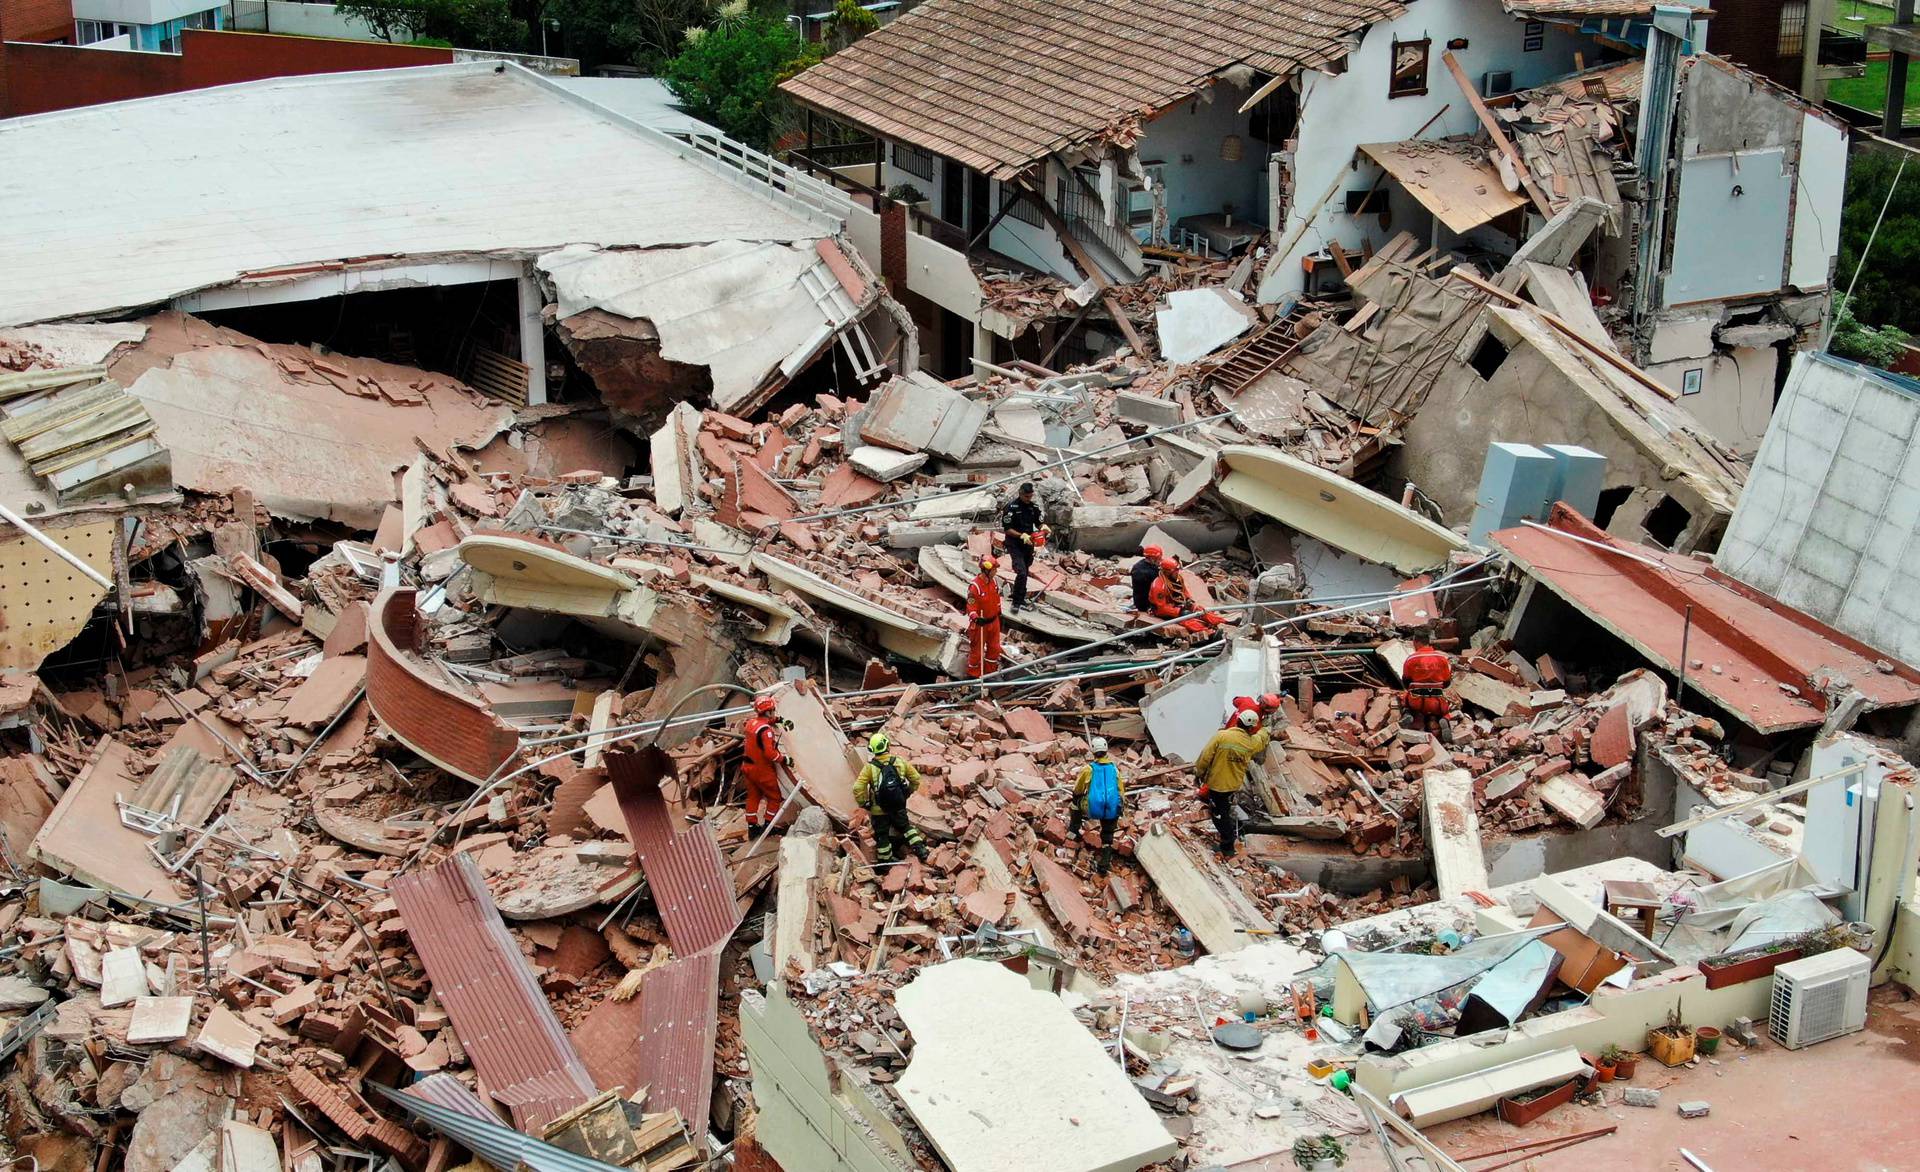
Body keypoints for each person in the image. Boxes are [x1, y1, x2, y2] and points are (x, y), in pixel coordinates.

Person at [1193, 709, 1272, 857]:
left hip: (1217, 784)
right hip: (1233, 785)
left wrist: (1198, 772)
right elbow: (1261, 738)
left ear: (1238, 720)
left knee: (1219, 816)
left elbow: (1205, 756)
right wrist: (1267, 728)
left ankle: (1227, 846)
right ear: (1251, 728)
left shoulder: (1222, 736)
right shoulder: (1251, 743)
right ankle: (1230, 836)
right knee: (1224, 809)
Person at [854, 733, 927, 863]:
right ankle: (921, 850)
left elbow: (858, 788)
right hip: (898, 805)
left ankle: (885, 865)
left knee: (882, 836)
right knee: (906, 828)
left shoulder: (869, 768)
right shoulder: (899, 761)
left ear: (872, 750)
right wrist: (907, 793)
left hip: (878, 809)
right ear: (887, 745)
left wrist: (864, 803)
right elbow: (916, 779)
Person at [1068, 737, 1127, 875]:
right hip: (1111, 810)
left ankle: (1074, 831)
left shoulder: (1088, 769)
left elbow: (1077, 790)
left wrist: (1079, 797)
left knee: (1075, 804)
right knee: (1108, 833)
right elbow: (1121, 791)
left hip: (1092, 809)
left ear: (1093, 751)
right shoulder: (1114, 769)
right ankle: (1104, 862)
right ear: (1106, 750)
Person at [738, 695, 788, 830]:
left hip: (748, 767)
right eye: (772, 710)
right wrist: (784, 759)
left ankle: (752, 826)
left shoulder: (751, 723)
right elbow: (770, 753)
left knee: (753, 796)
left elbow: (764, 722)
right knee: (775, 797)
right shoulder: (766, 731)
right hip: (762, 770)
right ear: (768, 711)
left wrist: (779, 720)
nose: (774, 712)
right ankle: (768, 825)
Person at [1148, 557, 1227, 636]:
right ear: (1167, 572)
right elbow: (1161, 608)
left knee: (1200, 610)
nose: (1178, 572)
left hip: (1176, 605)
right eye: (1175, 571)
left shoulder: (1178, 579)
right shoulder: (1158, 586)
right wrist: (1179, 611)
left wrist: (1189, 601)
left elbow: (1184, 592)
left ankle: (1223, 622)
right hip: (1163, 611)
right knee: (1186, 617)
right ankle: (1208, 633)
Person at [1000, 482, 1046, 612]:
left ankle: (1020, 597)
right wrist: (1021, 535)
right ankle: (1016, 603)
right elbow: (1007, 529)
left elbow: (1039, 523)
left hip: (1028, 544)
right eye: (1026, 496)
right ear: (1020, 494)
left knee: (1025, 571)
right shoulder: (1011, 508)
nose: (1028, 499)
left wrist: (1043, 527)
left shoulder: (1033, 507)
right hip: (1014, 544)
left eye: (1030, 496)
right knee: (1021, 572)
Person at [1401, 636, 1455, 744]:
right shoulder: (1441, 658)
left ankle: (1408, 714)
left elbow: (1406, 682)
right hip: (1436, 702)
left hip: (1416, 700)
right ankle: (1444, 720)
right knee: (1444, 711)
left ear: (1416, 642)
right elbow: (1447, 683)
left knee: (1405, 699)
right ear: (1429, 642)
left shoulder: (1411, 659)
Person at [966, 554, 1003, 678]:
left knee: (995, 649)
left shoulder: (994, 582)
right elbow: (971, 607)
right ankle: (973, 677)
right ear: (986, 570)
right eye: (994, 570)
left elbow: (996, 599)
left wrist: (998, 612)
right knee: (977, 652)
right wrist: (976, 617)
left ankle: (989, 674)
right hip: (981, 624)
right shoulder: (975, 587)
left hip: (994, 621)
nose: (996, 572)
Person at [1131, 543, 1164, 612]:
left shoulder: (1141, 565)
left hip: (1145, 600)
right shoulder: (1143, 572)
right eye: (1158, 558)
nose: (1160, 560)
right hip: (1145, 604)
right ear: (1152, 558)